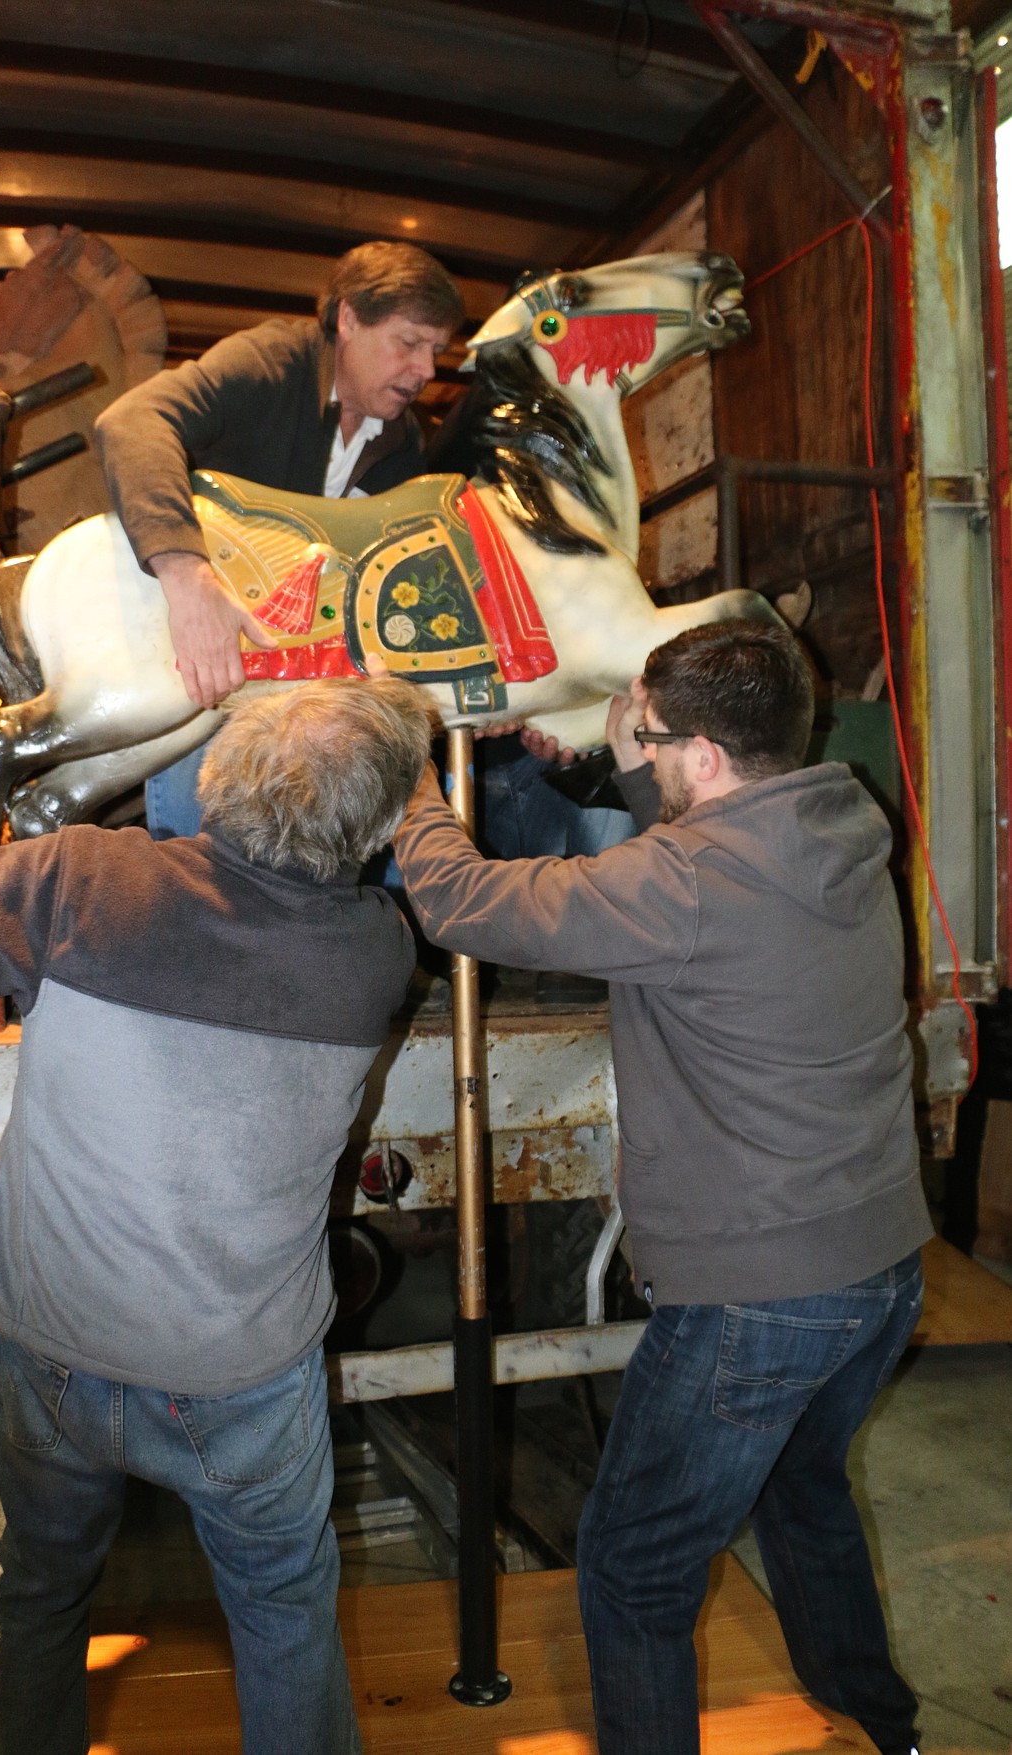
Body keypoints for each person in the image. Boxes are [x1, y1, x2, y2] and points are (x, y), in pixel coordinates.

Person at [0, 677, 435, 1755]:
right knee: (283, 1619)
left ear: (212, 779)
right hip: (241, 1380)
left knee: (34, 1598)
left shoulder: (88, 881)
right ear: (383, 826)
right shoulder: (377, 951)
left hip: (52, 1346)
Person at [391, 618, 930, 1755]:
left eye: (656, 739)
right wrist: (638, 748)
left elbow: (464, 904)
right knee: (802, 1493)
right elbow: (699, 858)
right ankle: (885, 1731)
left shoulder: (678, 886)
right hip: (882, 1271)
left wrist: (410, 777)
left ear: (703, 756)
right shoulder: (839, 828)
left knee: (633, 1571)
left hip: (762, 1295)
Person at [95, 239, 463, 837]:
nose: (426, 370)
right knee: (202, 841)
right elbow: (133, 421)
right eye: (409, 342)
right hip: (205, 658)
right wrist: (189, 578)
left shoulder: (404, 445)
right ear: (347, 318)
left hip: (307, 693)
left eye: (437, 351)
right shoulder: (270, 360)